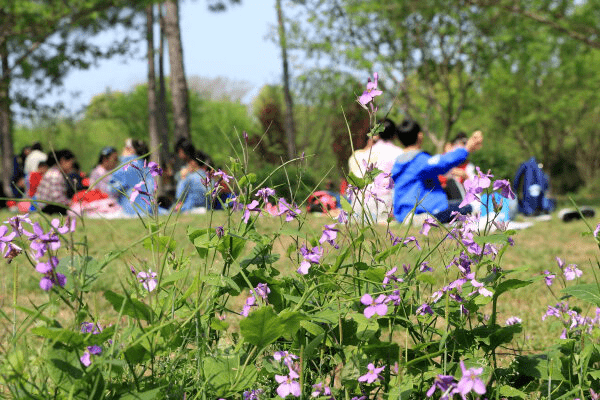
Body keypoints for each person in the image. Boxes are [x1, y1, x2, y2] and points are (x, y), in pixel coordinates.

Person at [391, 119, 483, 224]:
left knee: (458, 204)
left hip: (404, 214)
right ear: (420, 136)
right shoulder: (418, 160)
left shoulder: (399, 162)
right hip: (422, 214)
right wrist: (466, 148)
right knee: (475, 206)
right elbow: (442, 162)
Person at [109, 139, 157, 215]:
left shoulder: (126, 167)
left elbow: (112, 190)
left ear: (130, 150)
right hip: (148, 210)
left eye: (125, 147)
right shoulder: (147, 168)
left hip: (129, 210)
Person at [35, 149, 76, 215]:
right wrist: (69, 202)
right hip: (48, 207)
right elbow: (56, 197)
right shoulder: (55, 175)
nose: (71, 166)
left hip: (46, 205)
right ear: (63, 161)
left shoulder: (52, 171)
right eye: (71, 163)